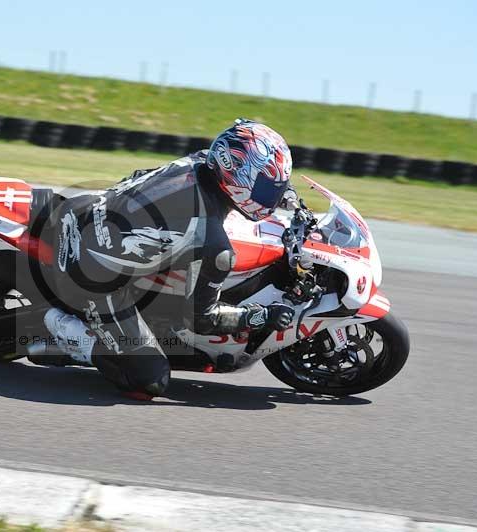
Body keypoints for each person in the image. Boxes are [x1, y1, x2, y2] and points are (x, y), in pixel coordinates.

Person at [36, 119, 296, 399]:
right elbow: (200, 320)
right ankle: (71, 337)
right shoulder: (213, 245)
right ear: (237, 179)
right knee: (151, 380)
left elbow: (139, 174)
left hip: (82, 210)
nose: (271, 196)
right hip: (89, 275)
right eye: (267, 189)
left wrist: (286, 196)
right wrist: (258, 316)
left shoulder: (198, 162)